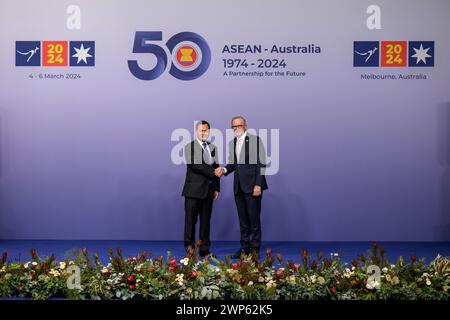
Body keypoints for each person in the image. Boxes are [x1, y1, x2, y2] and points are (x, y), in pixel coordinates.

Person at [215, 116, 268, 258]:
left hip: (253, 186)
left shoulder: (255, 140)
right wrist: (224, 170)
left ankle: (255, 248)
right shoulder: (232, 143)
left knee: (254, 219)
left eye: (239, 125)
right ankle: (244, 248)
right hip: (238, 187)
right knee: (243, 220)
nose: (236, 128)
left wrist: (258, 184)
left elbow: (262, 164)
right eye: (233, 126)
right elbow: (233, 164)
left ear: (245, 125)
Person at [182, 120, 220, 257]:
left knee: (205, 222)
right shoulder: (189, 147)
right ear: (196, 131)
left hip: (208, 191)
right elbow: (196, 165)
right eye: (201, 130)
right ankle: (190, 248)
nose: (203, 133)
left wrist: (217, 188)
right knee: (190, 221)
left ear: (209, 131)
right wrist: (213, 173)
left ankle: (204, 249)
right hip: (193, 191)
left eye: (206, 130)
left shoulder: (213, 147)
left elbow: (216, 167)